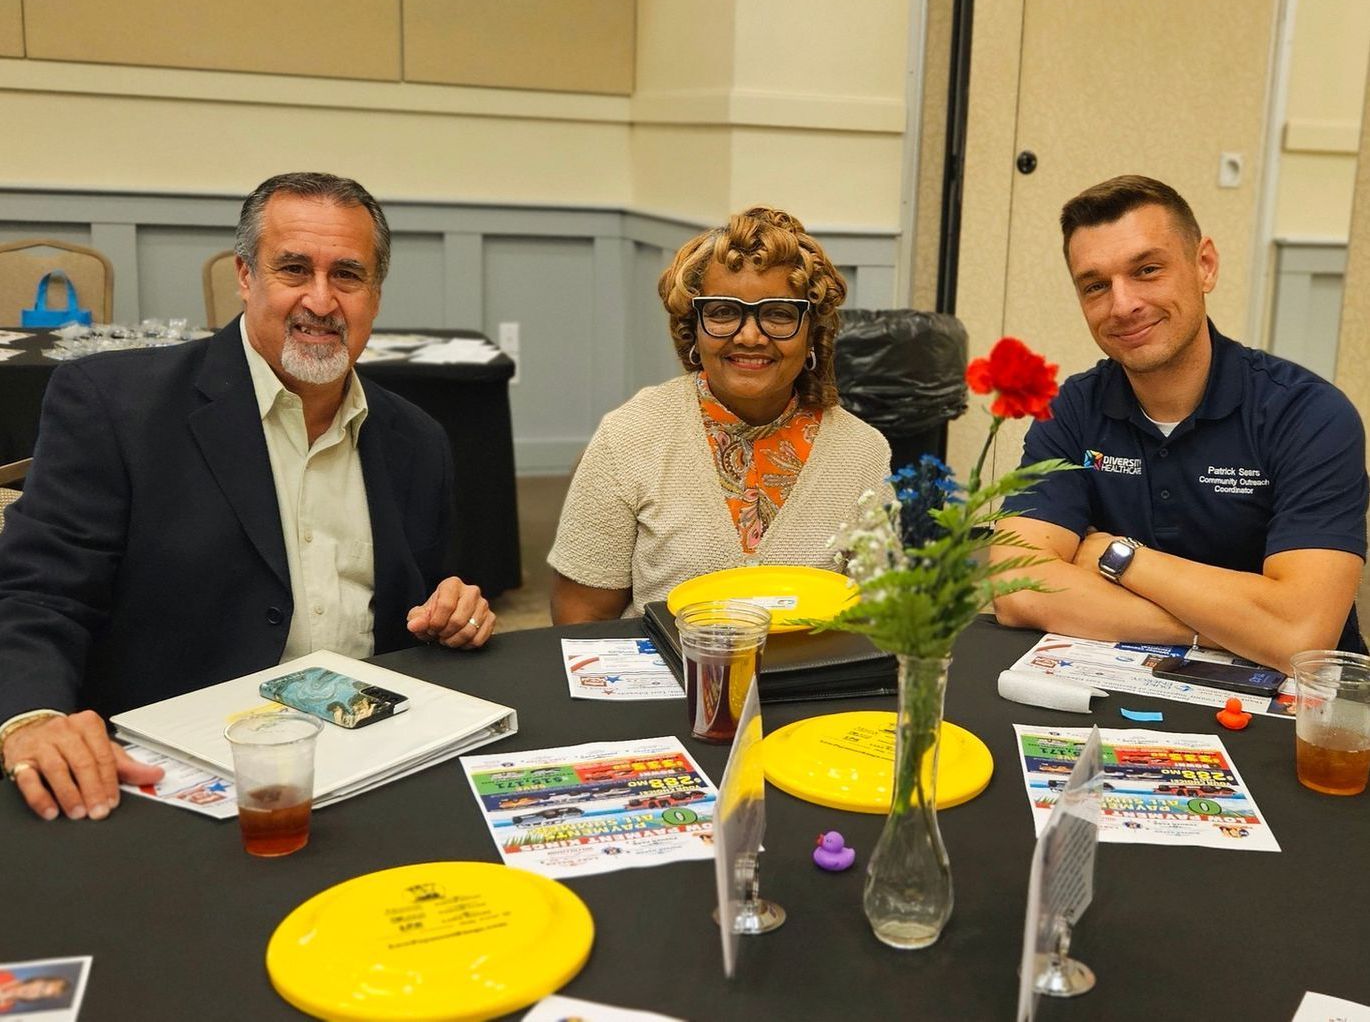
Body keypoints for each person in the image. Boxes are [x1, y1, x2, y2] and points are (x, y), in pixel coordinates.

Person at [0, 172, 496, 823]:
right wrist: (30, 717)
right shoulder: (114, 406)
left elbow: (423, 611)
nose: (320, 300)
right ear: (244, 276)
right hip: (177, 779)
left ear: (374, 294)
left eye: (346, 276)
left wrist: (454, 616)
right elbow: (39, 593)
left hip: (372, 766)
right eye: (294, 269)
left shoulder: (417, 441)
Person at [992, 175, 1367, 670]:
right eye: (1096, 286)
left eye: (1147, 270)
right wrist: (1230, 629)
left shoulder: (1308, 415)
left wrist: (1121, 558)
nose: (1123, 305)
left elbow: (1301, 633)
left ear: (1204, 265)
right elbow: (1019, 589)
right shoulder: (1072, 409)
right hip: (1124, 687)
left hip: (1293, 717)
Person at [548, 206, 892, 622]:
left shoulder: (863, 452)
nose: (749, 336)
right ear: (692, 328)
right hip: (666, 683)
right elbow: (580, 616)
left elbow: (881, 619)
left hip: (811, 685)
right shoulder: (630, 435)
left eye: (779, 314)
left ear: (812, 332)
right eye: (724, 312)